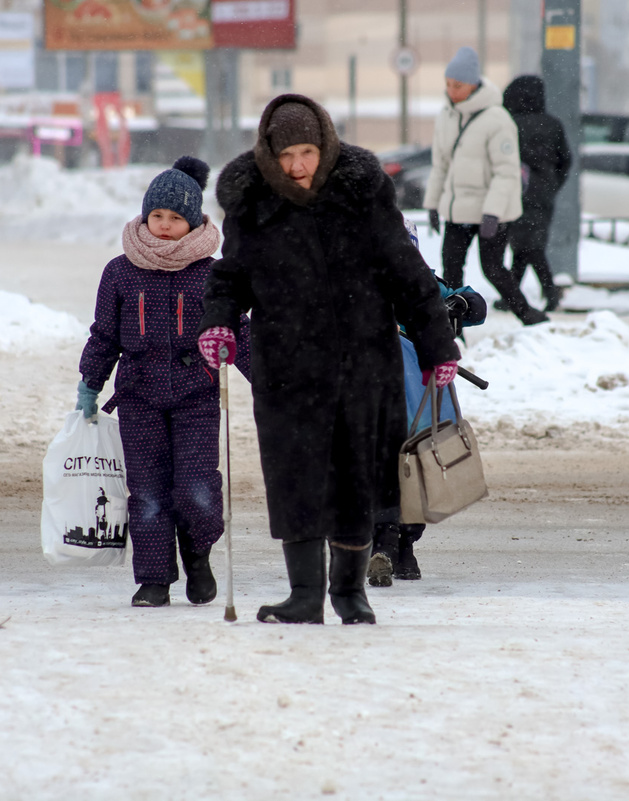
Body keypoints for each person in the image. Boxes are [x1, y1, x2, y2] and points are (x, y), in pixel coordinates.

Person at [198, 94, 460, 625]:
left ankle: (350, 595)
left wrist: (436, 347)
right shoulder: (253, 202)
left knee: (355, 479)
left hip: (361, 365)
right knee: (293, 478)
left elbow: (407, 273)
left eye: (308, 152)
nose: (298, 166)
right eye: (287, 155)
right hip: (287, 369)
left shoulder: (361, 190)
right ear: (270, 154)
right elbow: (231, 275)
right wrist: (219, 322)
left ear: (325, 146)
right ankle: (303, 595)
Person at [77, 157, 252, 609]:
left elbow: (237, 328)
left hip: (196, 395)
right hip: (139, 397)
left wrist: (264, 377)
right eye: (158, 216)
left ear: (192, 223)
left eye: (176, 218)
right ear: (144, 216)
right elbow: (105, 333)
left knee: (195, 489)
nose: (165, 226)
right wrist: (90, 382)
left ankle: (197, 554)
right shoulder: (120, 271)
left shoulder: (212, 272)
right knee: (149, 492)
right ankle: (155, 578)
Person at [369, 218, 487, 587]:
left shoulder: (427, 286)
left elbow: (475, 305)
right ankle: (386, 544)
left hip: (419, 401)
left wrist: (461, 303)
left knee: (416, 472)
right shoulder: (355, 290)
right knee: (384, 471)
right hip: (377, 401)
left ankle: (403, 545)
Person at [422, 47, 547, 326]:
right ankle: (454, 327)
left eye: (458, 85)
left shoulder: (496, 119)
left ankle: (528, 316)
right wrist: (432, 204)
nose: (452, 91)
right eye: (448, 84)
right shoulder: (446, 115)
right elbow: (441, 165)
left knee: (492, 268)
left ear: (473, 84)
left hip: (492, 211)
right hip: (458, 211)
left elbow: (506, 172)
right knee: (451, 270)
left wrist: (492, 213)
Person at [502, 75, 572, 314]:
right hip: (543, 196)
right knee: (528, 245)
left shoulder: (509, 123)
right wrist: (551, 186)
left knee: (527, 246)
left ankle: (548, 293)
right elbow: (566, 161)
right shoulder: (553, 124)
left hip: (515, 191)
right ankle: (513, 294)